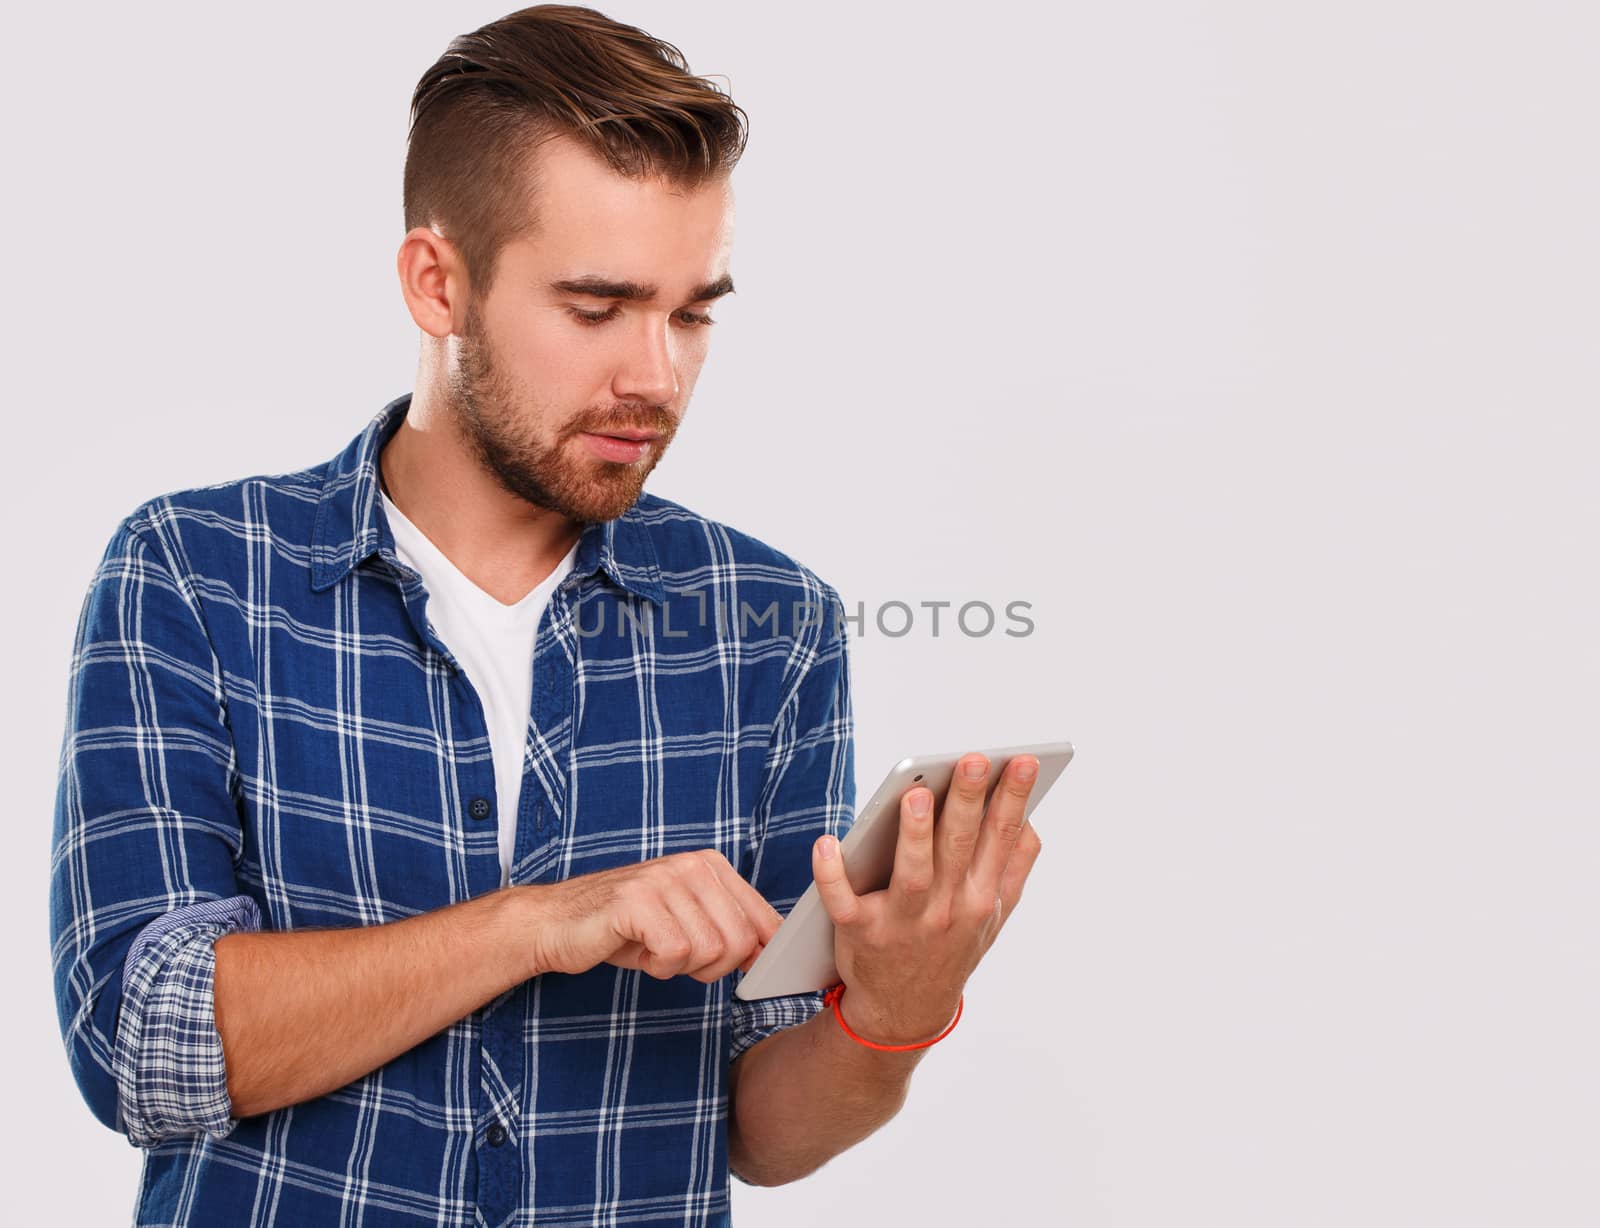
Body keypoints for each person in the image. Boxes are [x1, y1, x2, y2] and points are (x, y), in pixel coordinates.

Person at [47, 6, 1045, 1224]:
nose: (656, 377)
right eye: (596, 307)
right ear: (438, 282)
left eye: (690, 312)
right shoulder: (200, 573)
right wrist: (539, 922)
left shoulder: (772, 625)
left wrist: (890, 1013)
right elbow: (141, 1049)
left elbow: (763, 1129)